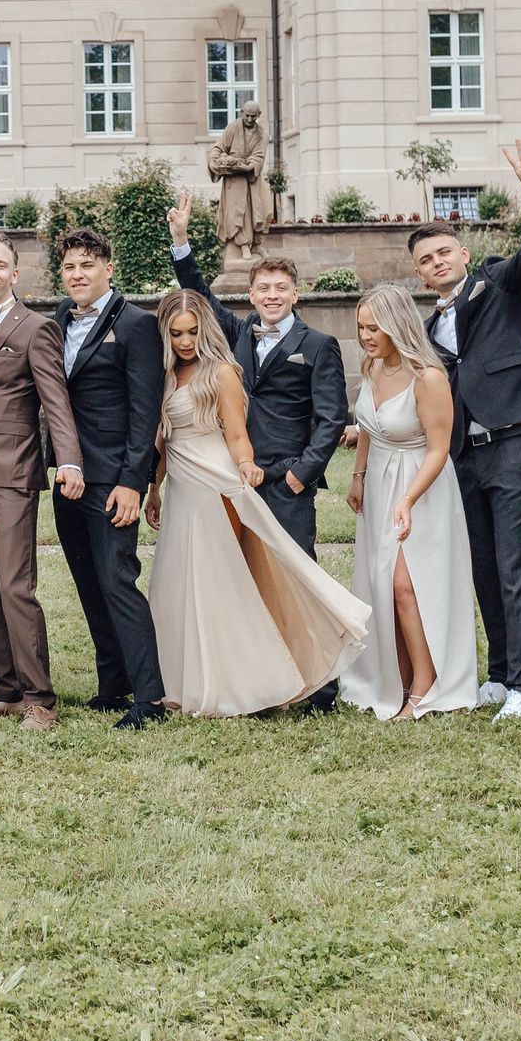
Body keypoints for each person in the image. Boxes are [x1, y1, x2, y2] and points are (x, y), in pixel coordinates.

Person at [146, 290, 369, 716]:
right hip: (180, 492)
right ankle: (184, 683)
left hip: (216, 487)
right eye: (176, 334)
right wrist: (153, 488)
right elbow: (163, 440)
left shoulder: (222, 372)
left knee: (221, 587)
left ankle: (247, 686)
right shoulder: (164, 375)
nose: (186, 341)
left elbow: (236, 434)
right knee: (175, 585)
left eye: (193, 332)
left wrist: (247, 464)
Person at [166, 192, 349, 709]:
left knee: (298, 578)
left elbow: (331, 418)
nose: (272, 295)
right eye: (263, 288)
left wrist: (300, 474)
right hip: (232, 480)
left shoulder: (318, 346)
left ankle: (321, 687)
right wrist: (181, 241)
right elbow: (198, 294)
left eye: (280, 288)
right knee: (246, 581)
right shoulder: (238, 333)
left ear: (296, 293)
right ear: (250, 294)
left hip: (285, 481)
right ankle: (268, 681)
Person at [411, 140, 521, 720]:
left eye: (444, 252)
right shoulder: (426, 330)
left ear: (463, 253)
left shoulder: (495, 283)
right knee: (485, 568)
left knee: (517, 567)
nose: (437, 262)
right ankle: (498, 674)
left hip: (513, 444)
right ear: (419, 271)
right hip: (461, 457)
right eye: (427, 259)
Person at [0, 230, 83, 731]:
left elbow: (55, 401)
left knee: (15, 587)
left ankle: (39, 698)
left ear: (14, 274)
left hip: (12, 472)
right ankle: (6, 688)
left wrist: (68, 461)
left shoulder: (36, 328)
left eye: (0, 265)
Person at [48, 226, 168, 729]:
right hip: (68, 475)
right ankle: (112, 686)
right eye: (70, 267)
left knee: (118, 582)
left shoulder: (138, 324)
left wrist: (133, 483)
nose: (78, 274)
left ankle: (151, 699)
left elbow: (145, 412)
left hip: (113, 479)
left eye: (87, 265)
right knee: (89, 584)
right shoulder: (58, 318)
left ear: (108, 268)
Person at [342, 284, 477, 719]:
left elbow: (439, 450)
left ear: (397, 325)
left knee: (406, 585)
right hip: (379, 484)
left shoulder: (429, 378)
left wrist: (408, 498)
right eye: (361, 327)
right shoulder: (372, 366)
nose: (366, 336)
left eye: (374, 328)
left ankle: (426, 683)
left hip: (421, 485)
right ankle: (397, 679)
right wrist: (358, 476)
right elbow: (368, 426)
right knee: (382, 586)